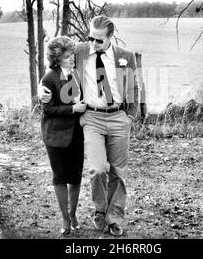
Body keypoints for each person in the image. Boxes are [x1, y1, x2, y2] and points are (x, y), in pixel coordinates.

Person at [39, 16, 139, 236]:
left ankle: (113, 218)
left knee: (118, 173)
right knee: (98, 168)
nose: (93, 43)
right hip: (92, 117)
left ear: (110, 37)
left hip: (117, 117)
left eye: (99, 40)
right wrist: (41, 86)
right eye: (90, 38)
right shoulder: (81, 51)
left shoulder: (125, 57)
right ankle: (100, 209)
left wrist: (129, 116)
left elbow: (133, 87)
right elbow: (57, 61)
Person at [40, 36, 87, 236]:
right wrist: (73, 109)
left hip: (77, 134)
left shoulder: (78, 75)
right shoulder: (49, 78)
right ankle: (65, 218)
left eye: (72, 55)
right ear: (57, 58)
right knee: (60, 177)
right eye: (68, 56)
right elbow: (48, 110)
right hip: (55, 135)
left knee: (75, 177)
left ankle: (73, 213)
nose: (72, 59)